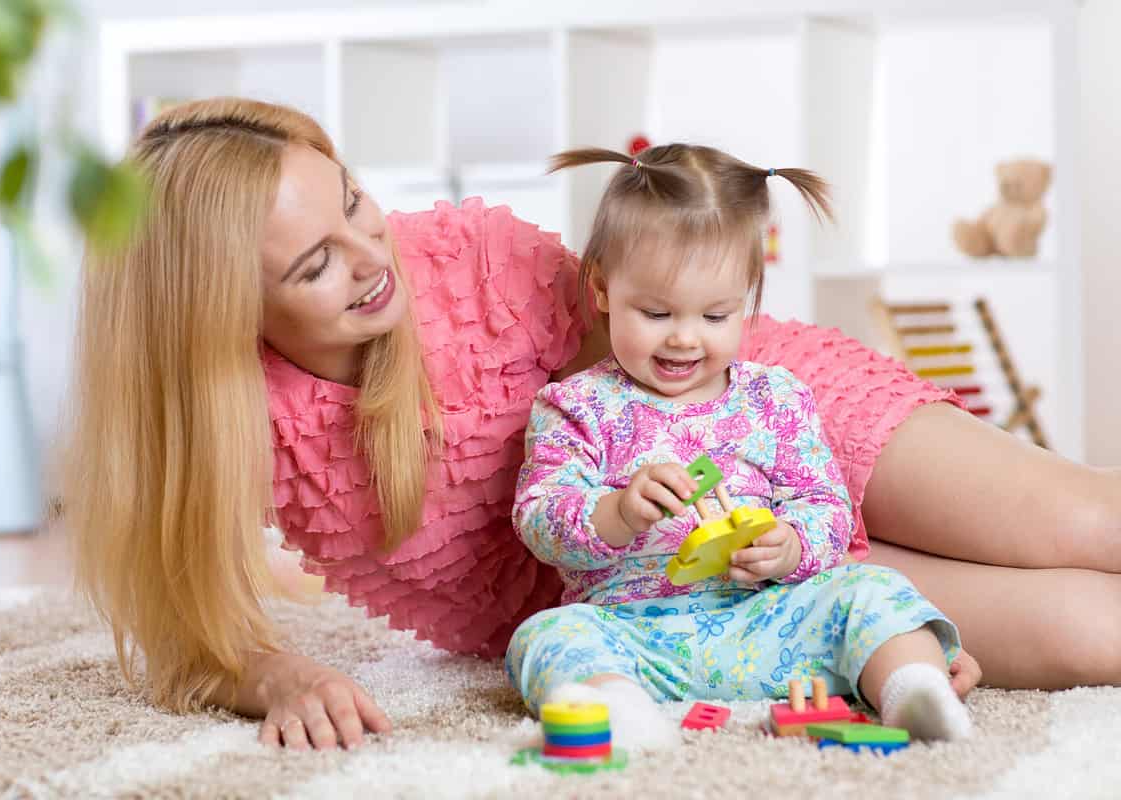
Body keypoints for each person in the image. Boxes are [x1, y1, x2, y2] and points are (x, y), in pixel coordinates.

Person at [63, 97, 1120, 752]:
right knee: (1088, 632)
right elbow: (182, 616)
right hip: (639, 592)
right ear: (221, 316)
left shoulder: (468, 254)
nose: (368, 252)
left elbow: (658, 318)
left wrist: (757, 489)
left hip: (763, 414)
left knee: (1086, 521)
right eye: (314, 262)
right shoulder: (238, 417)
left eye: (353, 201)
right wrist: (275, 673)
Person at [507, 144, 972, 749]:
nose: (683, 337)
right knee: (545, 636)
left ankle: (913, 688)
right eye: (654, 311)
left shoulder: (774, 399)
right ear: (600, 287)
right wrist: (617, 510)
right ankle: (619, 708)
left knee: (873, 590)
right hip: (634, 634)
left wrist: (789, 548)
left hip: (770, 622)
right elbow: (539, 519)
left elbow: (827, 508)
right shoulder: (576, 407)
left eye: (716, 315)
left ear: (749, 297)